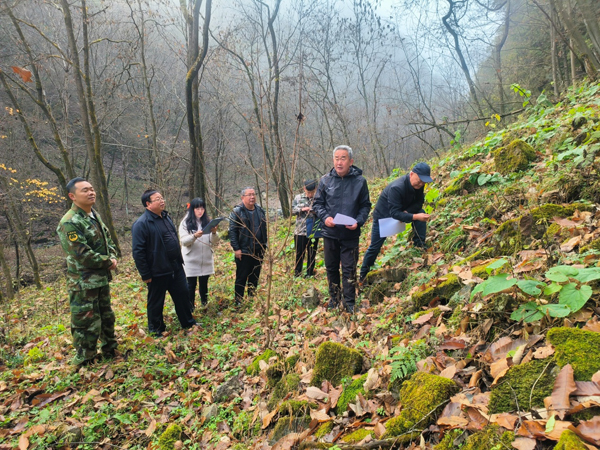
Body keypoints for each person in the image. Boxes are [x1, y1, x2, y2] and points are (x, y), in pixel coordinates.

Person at [56, 177, 118, 366]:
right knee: (85, 322)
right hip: (83, 282)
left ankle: (110, 349)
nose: (91, 192)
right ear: (72, 196)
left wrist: (113, 255)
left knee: (106, 315)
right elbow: (81, 254)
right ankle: (85, 358)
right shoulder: (69, 222)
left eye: (92, 189)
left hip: (100, 279)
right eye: (85, 190)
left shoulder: (93, 215)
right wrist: (108, 262)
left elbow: (108, 239)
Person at [313, 145, 371, 313]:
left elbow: (365, 206)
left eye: (343, 158)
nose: (339, 162)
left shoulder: (360, 182)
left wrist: (358, 222)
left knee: (349, 268)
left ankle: (350, 302)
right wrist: (325, 218)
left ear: (351, 161)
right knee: (331, 267)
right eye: (336, 158)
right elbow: (318, 203)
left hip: (350, 233)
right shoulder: (325, 180)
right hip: (330, 233)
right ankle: (334, 298)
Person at [131, 189, 197, 336]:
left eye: (162, 198)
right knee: (156, 301)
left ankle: (188, 322)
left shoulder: (166, 217)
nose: (162, 201)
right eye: (157, 199)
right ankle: (156, 329)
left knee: (183, 294)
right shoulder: (141, 224)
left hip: (175, 266)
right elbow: (138, 251)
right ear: (148, 204)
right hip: (157, 270)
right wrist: (145, 273)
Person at [359, 162, 433, 283]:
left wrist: (408, 212)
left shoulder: (419, 186)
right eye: (419, 180)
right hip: (384, 217)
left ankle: (419, 245)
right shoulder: (397, 187)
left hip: (402, 211)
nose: (421, 184)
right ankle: (363, 275)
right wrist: (413, 216)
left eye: (423, 182)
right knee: (375, 246)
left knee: (421, 212)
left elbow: (419, 202)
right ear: (412, 174)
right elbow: (394, 213)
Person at [228, 187, 268, 306]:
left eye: (253, 194)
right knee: (242, 276)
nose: (252, 197)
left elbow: (264, 228)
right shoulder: (237, 212)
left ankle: (251, 298)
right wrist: (237, 249)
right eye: (249, 195)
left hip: (259, 249)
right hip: (244, 250)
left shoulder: (260, 210)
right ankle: (239, 301)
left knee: (255, 275)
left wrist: (264, 245)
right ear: (242, 197)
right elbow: (232, 232)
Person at [179, 198, 218, 310]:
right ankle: (190, 307)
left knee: (204, 284)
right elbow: (184, 241)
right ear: (192, 209)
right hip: (191, 259)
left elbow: (214, 241)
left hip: (205, 258)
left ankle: (204, 305)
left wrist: (214, 232)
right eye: (197, 208)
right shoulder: (185, 223)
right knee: (191, 285)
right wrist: (194, 236)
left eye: (202, 208)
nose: (200, 211)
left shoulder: (207, 222)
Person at [292, 179, 320, 278]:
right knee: (299, 253)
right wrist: (302, 209)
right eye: (308, 192)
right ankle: (297, 273)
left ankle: (309, 273)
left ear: (315, 189)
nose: (310, 195)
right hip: (300, 231)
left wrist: (314, 211)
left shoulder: (318, 198)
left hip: (313, 230)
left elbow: (323, 210)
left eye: (312, 192)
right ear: (304, 189)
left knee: (312, 253)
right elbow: (291, 210)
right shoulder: (298, 198)